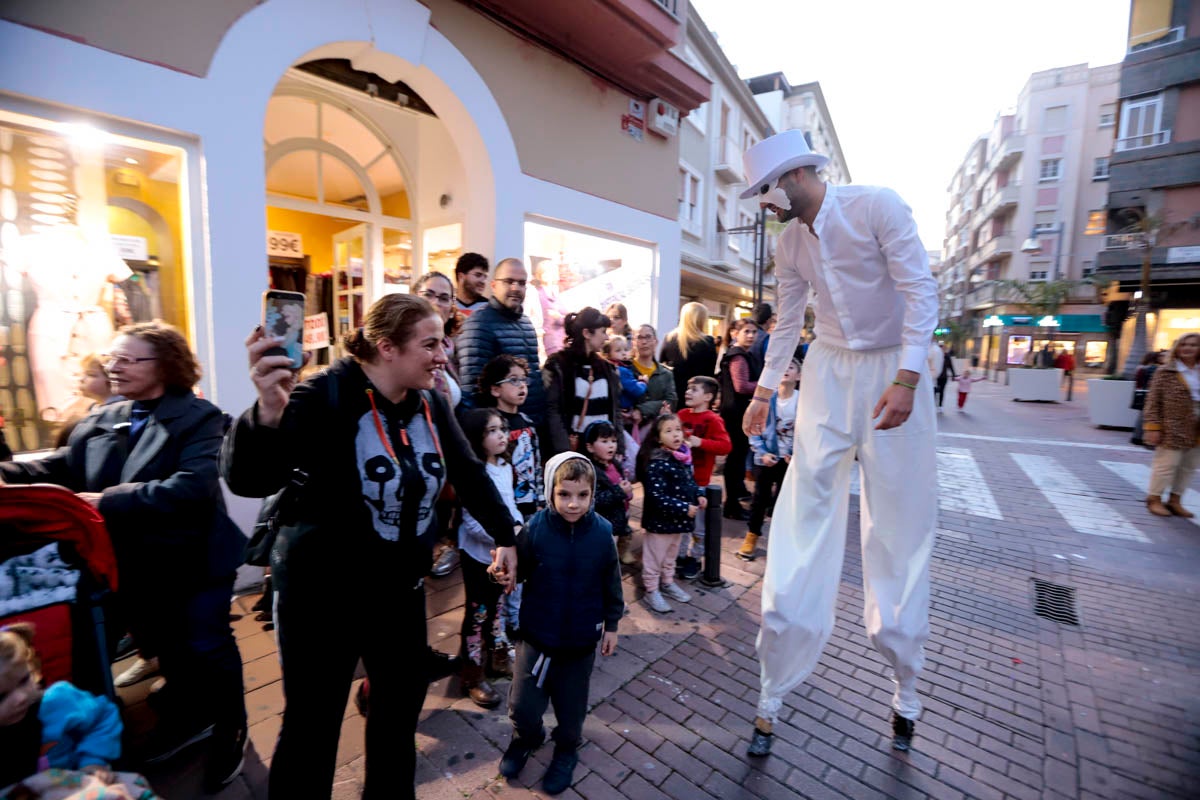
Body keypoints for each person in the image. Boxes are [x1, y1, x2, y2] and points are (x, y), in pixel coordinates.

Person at [220, 293, 518, 799]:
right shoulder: (324, 395)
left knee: (396, 720)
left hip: (398, 592)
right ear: (386, 348)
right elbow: (246, 478)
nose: (443, 354)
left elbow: (467, 471)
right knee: (313, 728)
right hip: (321, 597)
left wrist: (507, 535)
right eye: (429, 344)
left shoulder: (429, 402)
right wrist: (268, 411)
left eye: (443, 340)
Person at [739, 129, 939, 756]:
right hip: (827, 370)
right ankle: (772, 688)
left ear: (795, 177)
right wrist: (765, 391)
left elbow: (919, 294)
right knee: (803, 511)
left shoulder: (878, 205)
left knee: (898, 528)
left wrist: (907, 377)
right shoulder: (789, 240)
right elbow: (788, 318)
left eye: (764, 191)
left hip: (892, 370)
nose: (762, 205)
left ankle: (906, 687)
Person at [0, 322, 248, 790]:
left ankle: (230, 731)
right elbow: (60, 465)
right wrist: (9, 472)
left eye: (129, 359)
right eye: (112, 358)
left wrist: (106, 500)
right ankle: (189, 713)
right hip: (135, 562)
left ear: (167, 366)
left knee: (205, 645)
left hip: (194, 560)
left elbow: (193, 487)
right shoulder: (103, 416)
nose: (114, 367)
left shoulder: (199, 416)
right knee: (169, 645)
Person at [497, 452, 623, 796]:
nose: (573, 504)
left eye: (582, 495)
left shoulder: (601, 533)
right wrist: (502, 573)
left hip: (579, 643)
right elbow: (516, 569)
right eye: (564, 494)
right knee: (522, 706)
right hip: (536, 637)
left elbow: (611, 582)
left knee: (571, 714)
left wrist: (611, 624)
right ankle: (527, 738)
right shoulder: (536, 527)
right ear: (550, 492)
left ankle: (566, 750)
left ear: (592, 494)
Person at [0, 622, 122, 787]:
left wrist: (93, 760)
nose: (21, 697)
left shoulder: (57, 702)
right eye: (2, 696)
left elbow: (103, 716)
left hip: (79, 787)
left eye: (24, 680)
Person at [455, 408, 522, 708]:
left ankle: (497, 657)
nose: (501, 435)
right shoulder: (473, 472)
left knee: (498, 607)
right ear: (475, 438)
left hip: (503, 554)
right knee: (478, 612)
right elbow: (472, 522)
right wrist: (508, 534)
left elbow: (510, 505)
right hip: (478, 556)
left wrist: (518, 529)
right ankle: (471, 673)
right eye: (492, 431)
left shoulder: (505, 467)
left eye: (502, 429)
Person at [415, 270, 466, 579]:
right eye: (428, 294)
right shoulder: (404, 349)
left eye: (444, 297)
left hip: (442, 451)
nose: (436, 302)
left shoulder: (448, 349)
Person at [456, 258, 546, 421]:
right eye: (509, 281)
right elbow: (473, 388)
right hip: (502, 430)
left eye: (521, 283)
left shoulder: (526, 323)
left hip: (531, 423)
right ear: (494, 285)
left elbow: (534, 376)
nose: (515, 288)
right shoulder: (479, 324)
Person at [636, 413, 705, 614]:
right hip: (660, 522)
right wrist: (684, 508)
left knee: (670, 555)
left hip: (678, 521)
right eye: (668, 431)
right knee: (654, 557)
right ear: (658, 438)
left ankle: (667, 582)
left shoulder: (681, 457)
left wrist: (699, 494)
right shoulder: (656, 462)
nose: (676, 434)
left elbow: (690, 482)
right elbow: (656, 496)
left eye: (678, 429)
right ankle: (651, 590)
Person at [739, 358, 801, 562]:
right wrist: (763, 452)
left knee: (785, 501)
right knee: (759, 499)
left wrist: (796, 452)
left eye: (791, 367)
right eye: (783, 366)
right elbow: (753, 430)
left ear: (799, 376)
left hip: (789, 460)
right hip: (766, 458)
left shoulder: (803, 401)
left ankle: (781, 539)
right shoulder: (766, 400)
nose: (786, 370)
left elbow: (807, 431)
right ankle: (752, 535)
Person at [543, 308, 623, 455]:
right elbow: (553, 411)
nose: (606, 338)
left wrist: (619, 447)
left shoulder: (606, 368)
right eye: (603, 332)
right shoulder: (559, 365)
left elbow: (615, 410)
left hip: (602, 453)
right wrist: (564, 451)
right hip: (574, 451)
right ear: (586, 333)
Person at [675, 376, 731, 579]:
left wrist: (701, 443)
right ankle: (679, 555)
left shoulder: (713, 419)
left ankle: (695, 558)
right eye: (688, 388)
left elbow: (725, 446)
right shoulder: (680, 414)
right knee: (681, 522)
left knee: (698, 526)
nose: (688, 392)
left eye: (694, 389)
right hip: (678, 480)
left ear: (708, 396)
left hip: (699, 482)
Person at [1143, 332, 1200, 518]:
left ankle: (1175, 500)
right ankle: (1155, 499)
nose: (1188, 348)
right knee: (1166, 464)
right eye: (1184, 344)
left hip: (1197, 426)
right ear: (1177, 348)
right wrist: (1153, 427)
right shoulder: (1166, 371)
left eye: (1193, 345)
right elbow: (1152, 401)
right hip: (1172, 424)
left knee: (1188, 466)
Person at [718, 318, 761, 520]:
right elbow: (742, 386)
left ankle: (737, 495)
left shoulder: (740, 354)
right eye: (747, 331)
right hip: (736, 413)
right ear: (736, 333)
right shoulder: (738, 356)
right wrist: (764, 385)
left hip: (737, 410)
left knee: (737, 457)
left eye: (754, 331)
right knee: (735, 458)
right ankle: (732, 505)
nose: (751, 335)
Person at [661, 302, 718, 407]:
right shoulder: (707, 341)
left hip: (673, 396)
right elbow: (709, 374)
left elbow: (662, 366)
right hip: (697, 398)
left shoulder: (669, 338)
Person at [630, 325, 677, 433]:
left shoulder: (666, 374)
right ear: (633, 342)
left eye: (648, 337)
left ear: (656, 341)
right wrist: (659, 404)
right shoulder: (625, 370)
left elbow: (671, 401)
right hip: (630, 430)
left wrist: (642, 410)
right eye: (639, 338)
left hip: (656, 432)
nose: (644, 342)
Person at [602, 335, 647, 412]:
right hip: (623, 409)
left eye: (626, 349)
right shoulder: (621, 370)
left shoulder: (610, 367)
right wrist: (643, 382)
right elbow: (636, 389)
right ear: (608, 354)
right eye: (618, 350)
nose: (623, 353)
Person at [1131, 351, 1163, 446]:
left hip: (1140, 393)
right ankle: (1140, 437)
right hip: (1148, 394)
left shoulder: (1140, 367)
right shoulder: (1154, 368)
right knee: (1145, 416)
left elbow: (1138, 382)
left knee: (1141, 416)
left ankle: (1137, 437)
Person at [454, 252, 490, 317]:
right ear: (461, 277)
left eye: (485, 277)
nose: (483, 281)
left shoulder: (490, 308)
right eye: (478, 275)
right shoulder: (447, 304)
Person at [935, 343, 957, 412]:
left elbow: (951, 366)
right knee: (934, 391)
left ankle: (940, 406)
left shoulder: (947, 356)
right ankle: (934, 404)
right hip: (936, 377)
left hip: (944, 377)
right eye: (940, 348)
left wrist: (954, 375)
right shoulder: (936, 356)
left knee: (942, 391)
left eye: (943, 348)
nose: (942, 349)